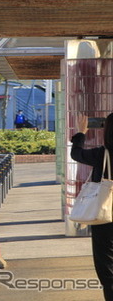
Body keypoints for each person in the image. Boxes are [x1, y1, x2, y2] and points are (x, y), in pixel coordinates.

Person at [70, 113, 113, 300]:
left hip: (104, 215)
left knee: (106, 263)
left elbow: (76, 153)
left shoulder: (102, 153)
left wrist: (81, 132)